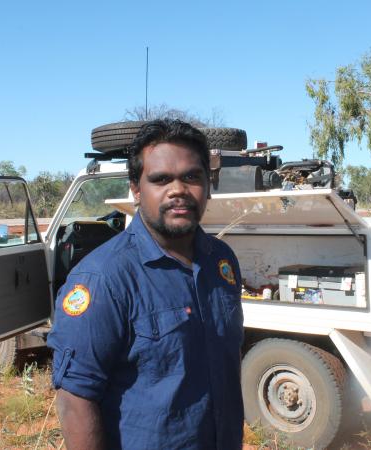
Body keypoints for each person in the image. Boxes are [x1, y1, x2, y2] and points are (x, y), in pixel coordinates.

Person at [47, 119, 245, 449]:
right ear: (137, 189)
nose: (178, 189)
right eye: (161, 179)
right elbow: (76, 399)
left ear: (209, 185)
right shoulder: (104, 279)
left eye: (192, 177)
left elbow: (228, 358)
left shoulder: (221, 261)